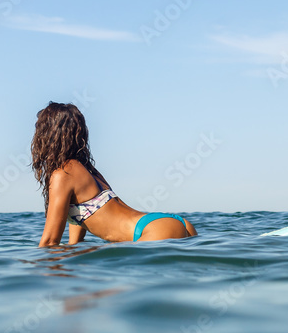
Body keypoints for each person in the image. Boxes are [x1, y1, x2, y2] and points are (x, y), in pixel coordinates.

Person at [31, 102, 197, 247]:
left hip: (153, 231)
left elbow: (50, 241)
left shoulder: (63, 174)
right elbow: (75, 245)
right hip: (165, 223)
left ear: (48, 135)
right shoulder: (87, 170)